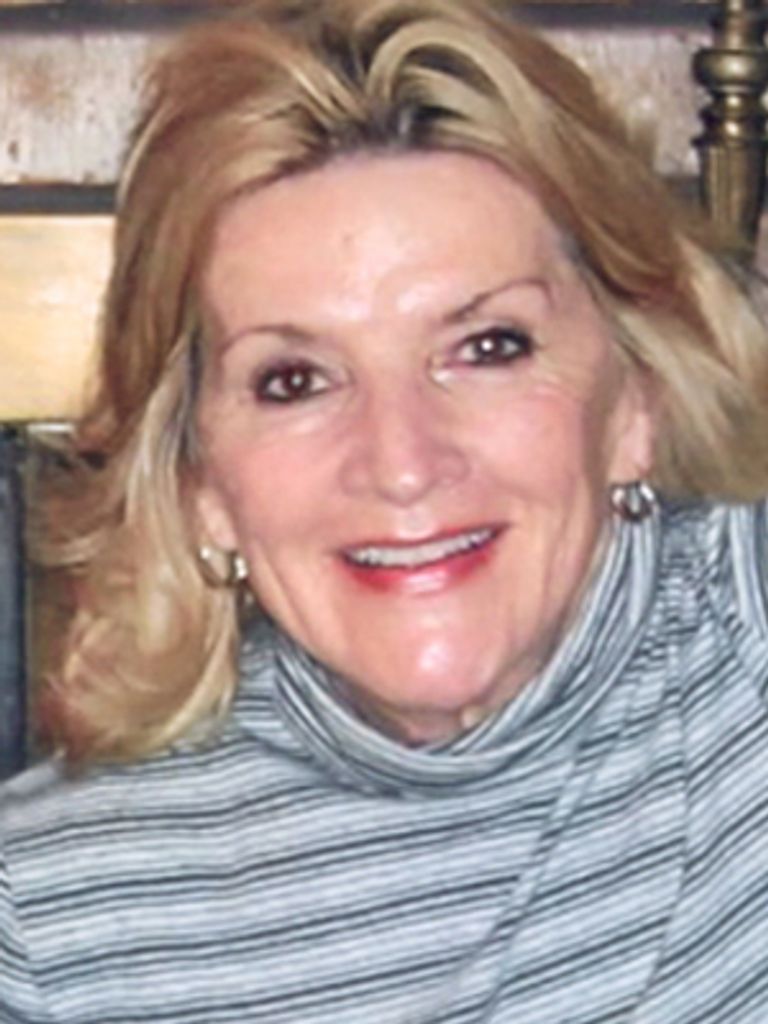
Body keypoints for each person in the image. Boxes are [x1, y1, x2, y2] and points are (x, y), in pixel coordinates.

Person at [3, 0, 768, 1020]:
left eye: (488, 347)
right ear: (200, 480)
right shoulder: (51, 920)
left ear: (635, 400)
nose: (402, 463)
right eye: (294, 381)